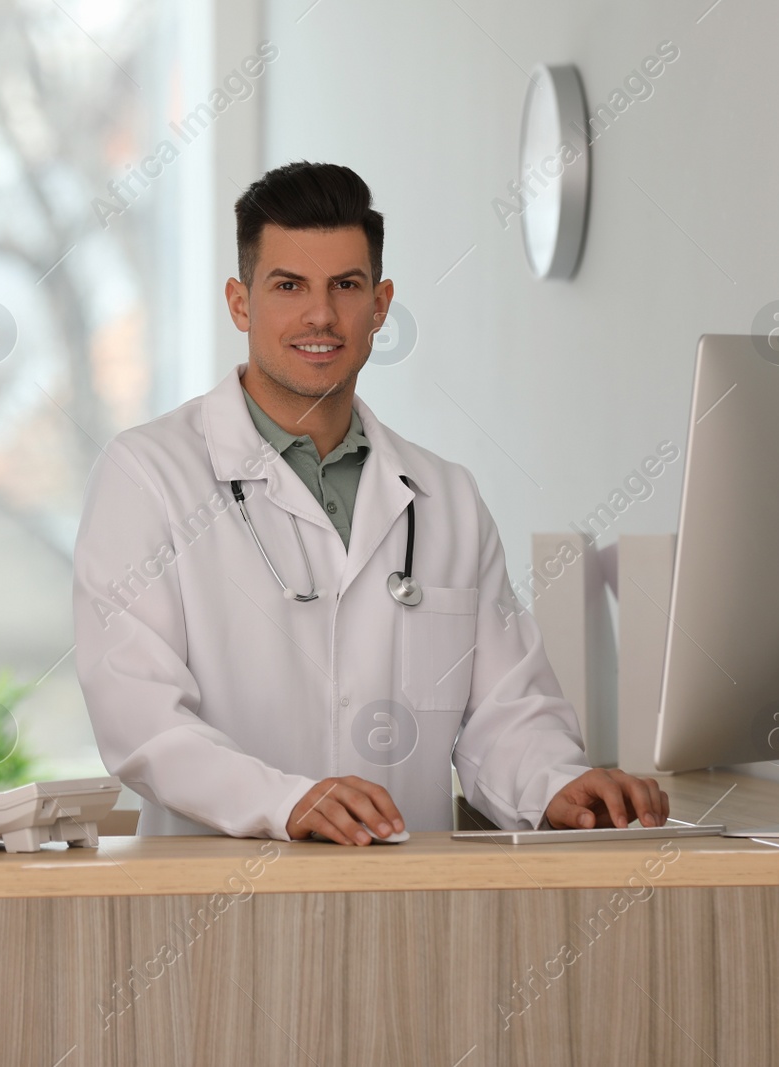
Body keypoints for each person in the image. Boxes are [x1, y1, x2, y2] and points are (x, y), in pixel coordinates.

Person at [73, 161, 669, 846]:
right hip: (217, 916)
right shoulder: (148, 475)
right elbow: (140, 718)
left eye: (346, 286)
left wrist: (558, 784)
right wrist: (285, 800)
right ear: (241, 302)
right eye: (288, 285)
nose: (320, 314)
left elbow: (503, 711)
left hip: (401, 913)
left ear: (380, 304)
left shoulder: (445, 497)